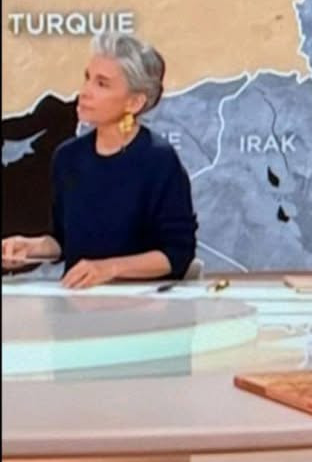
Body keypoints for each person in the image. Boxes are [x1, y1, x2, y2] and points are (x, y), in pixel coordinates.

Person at [2, 32, 197, 288]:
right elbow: (62, 240)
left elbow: (177, 254)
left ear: (134, 102)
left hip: (141, 306)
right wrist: (32, 248)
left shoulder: (158, 160)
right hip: (76, 303)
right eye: (87, 78)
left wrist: (109, 269)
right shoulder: (68, 157)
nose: (84, 92)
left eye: (102, 84)